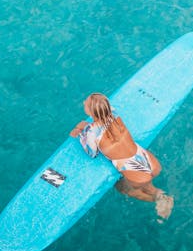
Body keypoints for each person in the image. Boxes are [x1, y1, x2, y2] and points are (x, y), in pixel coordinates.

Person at [70, 92, 174, 221]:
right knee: (148, 184)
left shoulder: (92, 131)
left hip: (133, 171)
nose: (84, 102)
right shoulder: (115, 115)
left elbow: (92, 153)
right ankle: (160, 195)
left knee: (122, 188)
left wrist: (82, 131)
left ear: (90, 111)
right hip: (149, 161)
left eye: (86, 102)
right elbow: (107, 114)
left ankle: (158, 199)